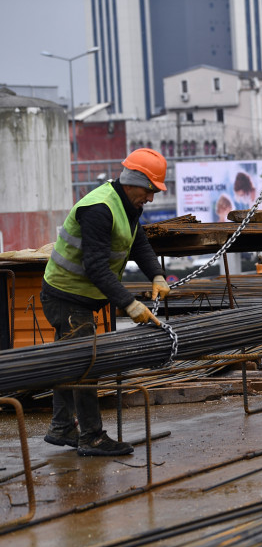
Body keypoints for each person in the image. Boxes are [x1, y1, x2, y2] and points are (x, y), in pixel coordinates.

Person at [41, 148, 171, 457]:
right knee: (86, 364)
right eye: (150, 190)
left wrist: (156, 274)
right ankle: (92, 437)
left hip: (77, 297)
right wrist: (129, 304)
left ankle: (62, 427)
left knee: (69, 362)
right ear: (133, 182)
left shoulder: (126, 205)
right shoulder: (100, 209)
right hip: (66, 297)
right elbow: (96, 267)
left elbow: (137, 240)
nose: (151, 198)